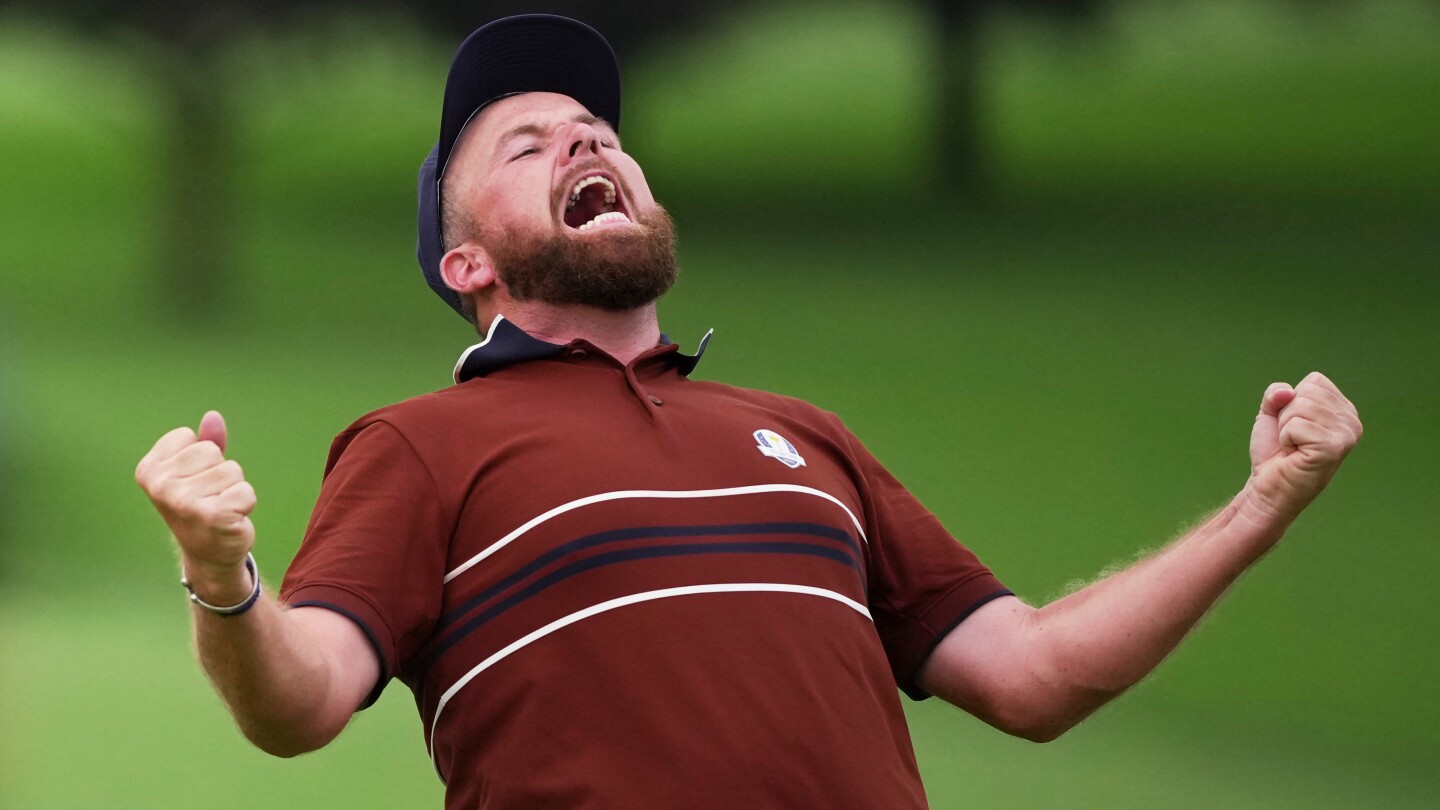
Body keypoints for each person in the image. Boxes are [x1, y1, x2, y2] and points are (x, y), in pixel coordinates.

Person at [134, 14, 1362, 810]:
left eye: (596, 133)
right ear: (468, 266)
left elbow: (1031, 673)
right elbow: (299, 703)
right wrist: (221, 576)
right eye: (527, 147)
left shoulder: (805, 436)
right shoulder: (422, 445)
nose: (582, 145)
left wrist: (1257, 509)